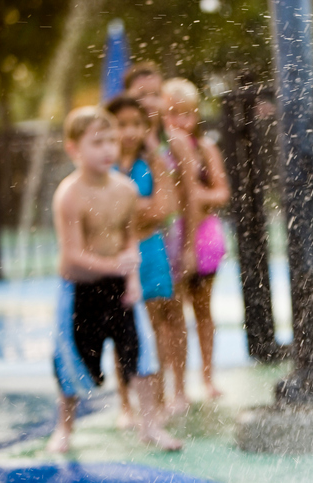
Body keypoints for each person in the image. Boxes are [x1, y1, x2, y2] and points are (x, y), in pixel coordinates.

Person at [47, 105, 182, 453]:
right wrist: (116, 266)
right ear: (73, 148)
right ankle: (63, 429)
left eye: (111, 140)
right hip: (80, 289)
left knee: (140, 357)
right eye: (97, 142)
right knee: (70, 362)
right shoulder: (70, 195)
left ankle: (150, 424)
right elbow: (71, 255)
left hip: (120, 285)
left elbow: (129, 238)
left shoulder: (125, 190)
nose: (108, 148)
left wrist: (133, 278)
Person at [123, 62, 192, 412]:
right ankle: (141, 399)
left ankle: (179, 389)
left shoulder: (174, 142)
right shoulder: (126, 144)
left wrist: (191, 244)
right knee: (139, 320)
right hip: (140, 240)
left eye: (156, 93)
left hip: (172, 236)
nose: (150, 101)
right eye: (141, 95)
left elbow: (189, 197)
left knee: (175, 314)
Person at [106, 95, 177, 428]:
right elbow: (102, 215)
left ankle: (159, 401)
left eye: (137, 124)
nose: (130, 131)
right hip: (115, 257)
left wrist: (130, 212)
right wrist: (140, 208)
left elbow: (162, 209)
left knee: (156, 327)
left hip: (150, 253)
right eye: (122, 124)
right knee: (121, 331)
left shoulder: (153, 163)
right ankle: (126, 404)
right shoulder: (102, 166)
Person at [161, 77, 231, 402]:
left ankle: (208, 377)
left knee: (202, 310)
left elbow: (222, 191)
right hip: (171, 239)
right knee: (175, 315)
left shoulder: (204, 149)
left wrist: (195, 194)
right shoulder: (161, 155)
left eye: (185, 114)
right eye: (171, 114)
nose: (178, 121)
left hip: (203, 240)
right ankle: (179, 385)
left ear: (195, 115)